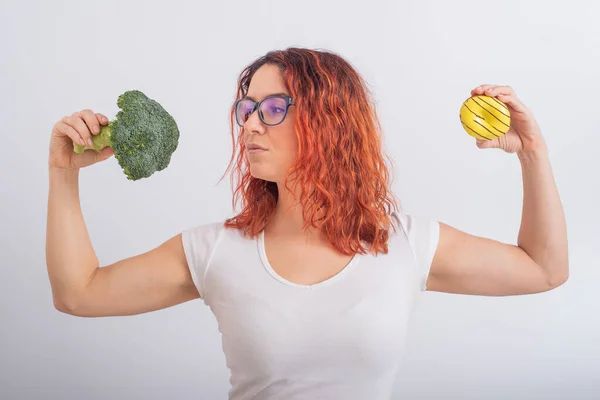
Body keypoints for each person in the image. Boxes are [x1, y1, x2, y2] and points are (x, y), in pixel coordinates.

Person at [46, 47, 569, 399]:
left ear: (331, 119)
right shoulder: (214, 250)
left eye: (273, 107)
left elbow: (543, 269)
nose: (249, 123)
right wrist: (63, 173)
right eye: (246, 108)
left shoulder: (407, 243)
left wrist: (534, 153)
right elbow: (80, 294)